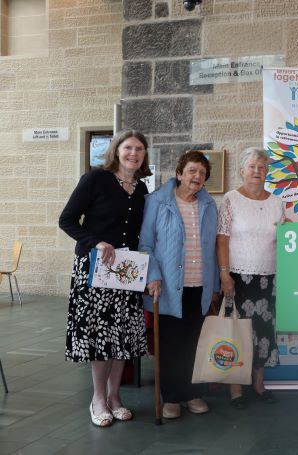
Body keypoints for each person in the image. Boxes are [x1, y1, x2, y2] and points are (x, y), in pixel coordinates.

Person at [59, 130, 152, 427]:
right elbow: (67, 220)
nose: (133, 154)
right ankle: (98, 399)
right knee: (100, 336)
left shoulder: (141, 190)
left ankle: (115, 397)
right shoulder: (95, 179)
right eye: (128, 148)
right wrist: (94, 241)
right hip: (96, 268)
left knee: (122, 335)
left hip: (128, 271)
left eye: (139, 149)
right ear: (116, 150)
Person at [139, 150, 219, 420]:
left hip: (200, 286)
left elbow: (213, 247)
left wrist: (216, 284)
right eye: (192, 171)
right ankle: (172, 397)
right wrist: (153, 275)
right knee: (170, 345)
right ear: (179, 174)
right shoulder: (157, 202)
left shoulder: (208, 205)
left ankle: (193, 393)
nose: (197, 177)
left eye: (202, 173)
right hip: (170, 287)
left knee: (194, 342)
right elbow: (146, 244)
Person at [216, 147, 284, 409]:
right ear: (242, 170)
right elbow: (222, 239)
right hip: (238, 278)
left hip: (268, 277)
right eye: (252, 166)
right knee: (238, 334)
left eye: (262, 167)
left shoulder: (277, 202)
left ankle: (258, 383)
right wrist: (224, 274)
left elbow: (282, 238)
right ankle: (236, 389)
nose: (257, 171)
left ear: (267, 171)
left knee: (264, 333)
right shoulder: (231, 199)